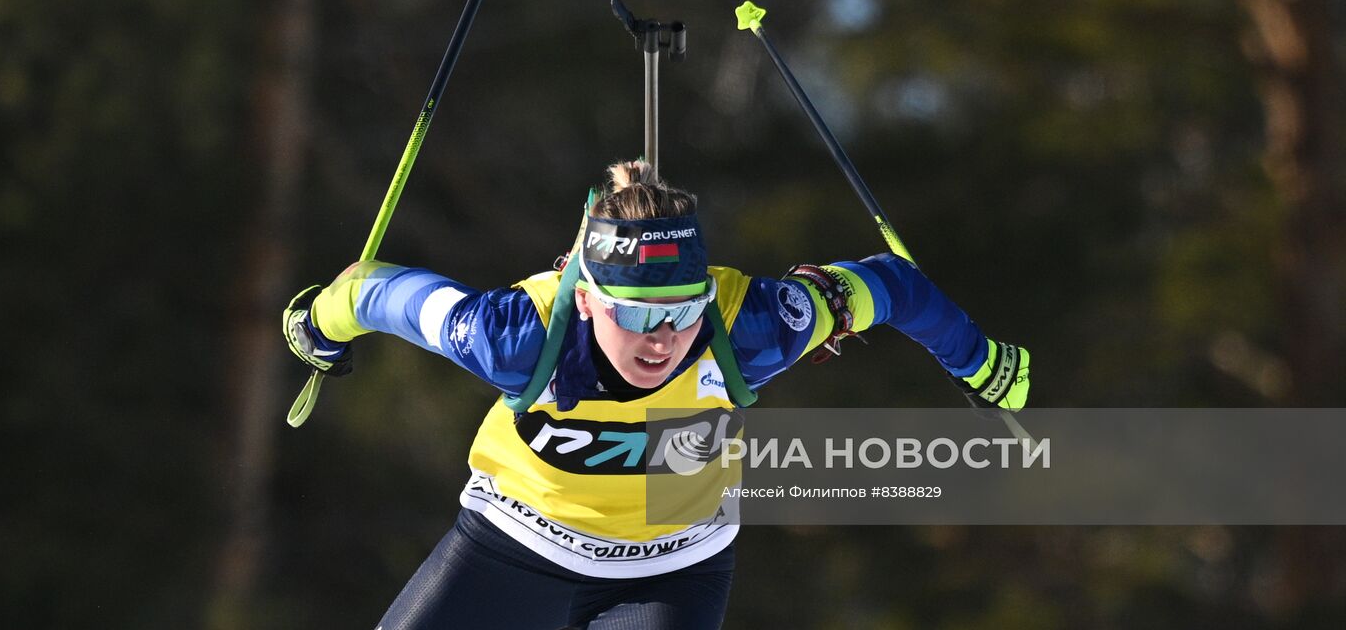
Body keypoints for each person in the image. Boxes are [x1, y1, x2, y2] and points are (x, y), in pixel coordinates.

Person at [283, 161, 1031, 630]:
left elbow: (891, 286)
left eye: (682, 311)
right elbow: (379, 294)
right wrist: (316, 323)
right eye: (637, 315)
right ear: (586, 299)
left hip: (670, 571)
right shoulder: (517, 336)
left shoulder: (750, 329)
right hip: (513, 548)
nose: (662, 339)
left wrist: (982, 362)